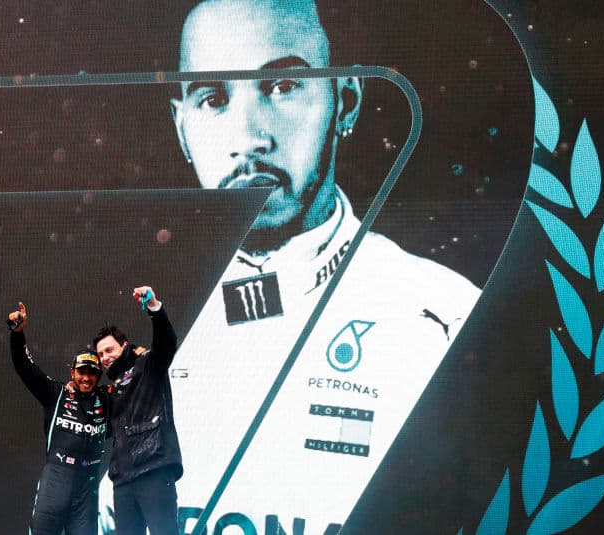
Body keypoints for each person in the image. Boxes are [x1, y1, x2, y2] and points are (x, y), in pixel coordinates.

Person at [101, 1, 483, 533]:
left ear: (345, 101)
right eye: (213, 98)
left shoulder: (446, 319)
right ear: (182, 128)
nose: (249, 138)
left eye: (282, 87)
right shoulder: (117, 327)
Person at [7, 302, 109, 535]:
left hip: (87, 487)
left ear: (99, 376)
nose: (86, 378)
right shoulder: (56, 393)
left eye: (92, 373)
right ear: (72, 372)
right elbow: (24, 367)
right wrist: (17, 333)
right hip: (56, 481)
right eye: (81, 372)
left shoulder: (106, 399)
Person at [93, 286, 180, 535]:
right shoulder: (112, 389)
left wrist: (154, 307)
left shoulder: (147, 365)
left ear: (124, 346)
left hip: (153, 468)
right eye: (100, 354)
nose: (105, 357)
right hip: (123, 479)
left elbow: (166, 343)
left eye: (109, 350)